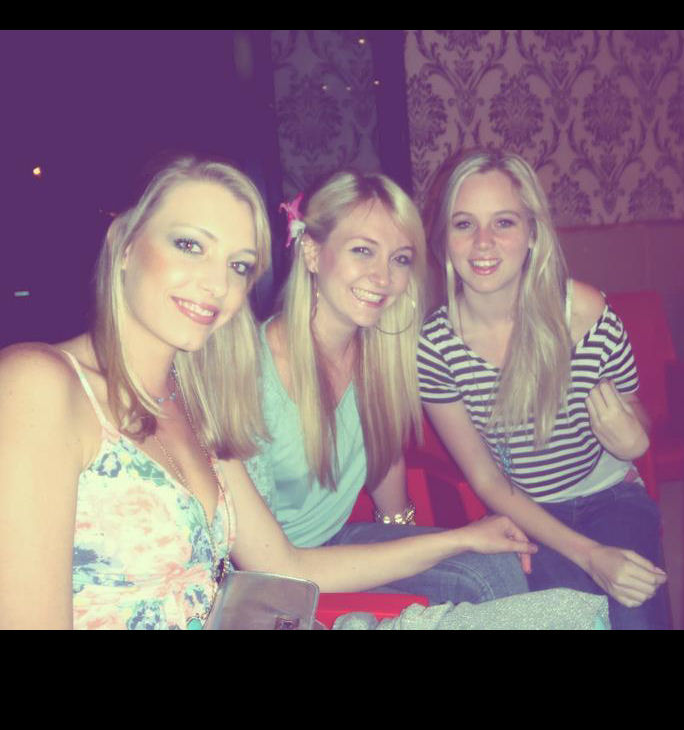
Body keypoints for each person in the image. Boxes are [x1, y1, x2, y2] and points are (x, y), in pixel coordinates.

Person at [0, 156, 606, 630]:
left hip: (273, 596)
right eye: (189, 244)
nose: (216, 282)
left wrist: (449, 534)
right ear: (125, 244)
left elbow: (290, 555)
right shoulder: (41, 382)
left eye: (239, 265)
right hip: (276, 595)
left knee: (563, 613)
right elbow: (273, 571)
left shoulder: (197, 400)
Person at [244, 171, 529, 605]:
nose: (383, 277)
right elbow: (268, 565)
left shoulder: (379, 354)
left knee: (495, 567)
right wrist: (451, 541)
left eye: (400, 259)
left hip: (337, 541)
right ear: (312, 252)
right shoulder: (253, 374)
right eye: (363, 250)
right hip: (271, 581)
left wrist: (405, 539)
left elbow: (384, 458)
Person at [418, 149, 670, 630]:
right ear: (443, 238)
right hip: (527, 512)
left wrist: (634, 436)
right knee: (569, 620)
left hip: (611, 495)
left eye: (504, 222)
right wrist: (590, 555)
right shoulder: (435, 347)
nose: (483, 242)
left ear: (533, 232)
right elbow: (487, 480)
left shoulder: (585, 313)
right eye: (464, 224)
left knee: (634, 613)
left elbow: (635, 412)